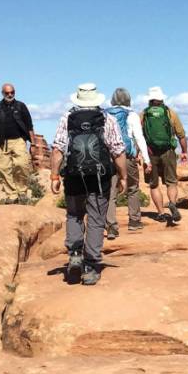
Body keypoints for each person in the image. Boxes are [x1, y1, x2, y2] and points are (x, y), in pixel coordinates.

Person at [49, 83, 127, 285]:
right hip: (99, 177)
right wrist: (123, 176)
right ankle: (91, 267)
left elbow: (58, 149)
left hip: (74, 175)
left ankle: (75, 253)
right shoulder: (106, 118)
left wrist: (54, 176)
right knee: (96, 218)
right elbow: (118, 150)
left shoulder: (67, 118)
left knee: (74, 214)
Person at [103, 88, 150, 237]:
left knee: (111, 192)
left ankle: (111, 226)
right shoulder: (132, 115)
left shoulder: (104, 114)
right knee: (133, 188)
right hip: (127, 157)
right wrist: (146, 159)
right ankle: (134, 221)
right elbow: (139, 137)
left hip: (109, 157)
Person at [141, 87, 188, 226]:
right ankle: (172, 204)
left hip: (150, 153)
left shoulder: (144, 114)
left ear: (150, 99)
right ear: (162, 98)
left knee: (154, 185)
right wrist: (184, 151)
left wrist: (140, 153)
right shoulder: (170, 113)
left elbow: (138, 136)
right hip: (168, 151)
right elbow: (181, 135)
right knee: (171, 182)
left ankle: (161, 213)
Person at [0, 83, 35, 202]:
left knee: (22, 165)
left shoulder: (21, 106)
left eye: (12, 92)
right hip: (2, 143)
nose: (10, 94)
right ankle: (11, 195)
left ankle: (22, 191)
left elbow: (30, 126)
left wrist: (33, 144)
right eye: (7, 93)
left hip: (19, 141)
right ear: (2, 93)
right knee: (4, 168)